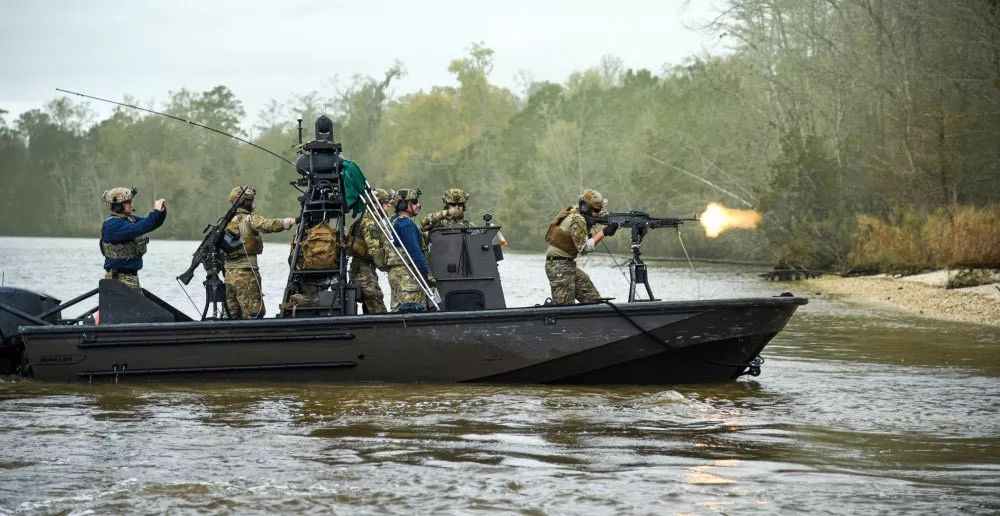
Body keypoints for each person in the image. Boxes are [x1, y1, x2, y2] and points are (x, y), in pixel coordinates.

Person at [223, 185, 297, 319]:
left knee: (231, 315)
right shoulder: (248, 219)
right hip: (246, 274)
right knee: (253, 313)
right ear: (245, 202)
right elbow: (267, 225)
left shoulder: (225, 223)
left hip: (228, 276)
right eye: (250, 201)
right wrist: (288, 222)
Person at [543, 189, 619, 304]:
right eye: (597, 210)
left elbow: (599, 216)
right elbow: (583, 248)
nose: (600, 212)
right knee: (565, 308)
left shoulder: (578, 214)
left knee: (593, 300)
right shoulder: (577, 219)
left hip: (567, 265)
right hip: (559, 266)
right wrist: (604, 232)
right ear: (586, 208)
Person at [100, 187, 167, 291]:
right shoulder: (112, 225)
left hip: (131, 279)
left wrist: (161, 212)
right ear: (118, 205)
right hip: (118, 280)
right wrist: (156, 212)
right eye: (128, 202)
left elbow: (150, 223)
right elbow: (139, 228)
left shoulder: (130, 219)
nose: (132, 205)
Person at [347, 187, 394, 314]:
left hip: (363, 269)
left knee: (371, 304)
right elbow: (374, 252)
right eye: (385, 203)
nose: (389, 206)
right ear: (376, 205)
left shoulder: (363, 220)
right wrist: (388, 267)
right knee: (377, 303)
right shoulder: (370, 223)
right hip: (363, 271)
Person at [386, 188, 431, 311]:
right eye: (414, 202)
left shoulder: (392, 221)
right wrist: (428, 275)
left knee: (398, 311)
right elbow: (415, 253)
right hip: (408, 275)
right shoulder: (406, 225)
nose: (418, 206)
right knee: (413, 310)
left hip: (395, 274)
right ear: (403, 204)